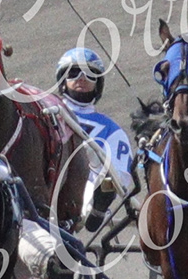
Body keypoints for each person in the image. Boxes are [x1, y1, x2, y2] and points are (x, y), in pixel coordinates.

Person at [51, 43, 140, 187]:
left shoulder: (112, 130)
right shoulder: (47, 114)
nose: (81, 78)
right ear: (62, 80)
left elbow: (120, 182)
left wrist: (97, 166)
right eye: (73, 73)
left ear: (98, 83)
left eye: (90, 74)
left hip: (88, 198)